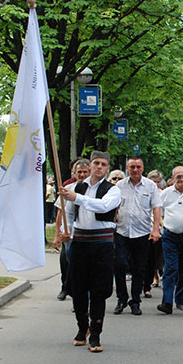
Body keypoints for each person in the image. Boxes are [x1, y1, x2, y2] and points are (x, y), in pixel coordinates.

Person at [59, 151, 121, 352]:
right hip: (80, 242)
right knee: (77, 289)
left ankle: (95, 334)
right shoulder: (75, 187)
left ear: (107, 168)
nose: (99, 167)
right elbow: (68, 212)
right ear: (90, 165)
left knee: (98, 290)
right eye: (96, 163)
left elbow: (102, 207)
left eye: (103, 164)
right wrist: (64, 232)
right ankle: (81, 327)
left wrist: (77, 197)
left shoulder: (112, 190)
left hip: (102, 244)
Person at [113, 157, 161, 315]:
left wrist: (155, 229)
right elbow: (113, 206)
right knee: (119, 265)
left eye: (138, 167)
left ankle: (135, 301)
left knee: (139, 268)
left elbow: (156, 208)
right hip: (122, 231)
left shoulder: (150, 186)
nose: (135, 170)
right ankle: (121, 299)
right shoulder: (119, 185)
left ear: (143, 168)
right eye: (132, 167)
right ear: (127, 168)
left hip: (142, 232)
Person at [157, 166, 183, 314]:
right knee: (170, 268)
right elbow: (159, 212)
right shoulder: (166, 194)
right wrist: (161, 228)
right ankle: (167, 302)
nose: (181, 179)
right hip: (170, 236)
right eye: (178, 176)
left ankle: (180, 300)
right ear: (173, 178)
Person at [54, 159, 90, 301]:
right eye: (79, 172)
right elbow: (60, 213)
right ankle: (66, 288)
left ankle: (81, 295)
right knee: (68, 263)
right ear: (74, 173)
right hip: (69, 234)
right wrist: (58, 234)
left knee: (83, 267)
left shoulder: (93, 190)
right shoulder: (68, 189)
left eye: (84, 172)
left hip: (86, 234)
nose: (82, 175)